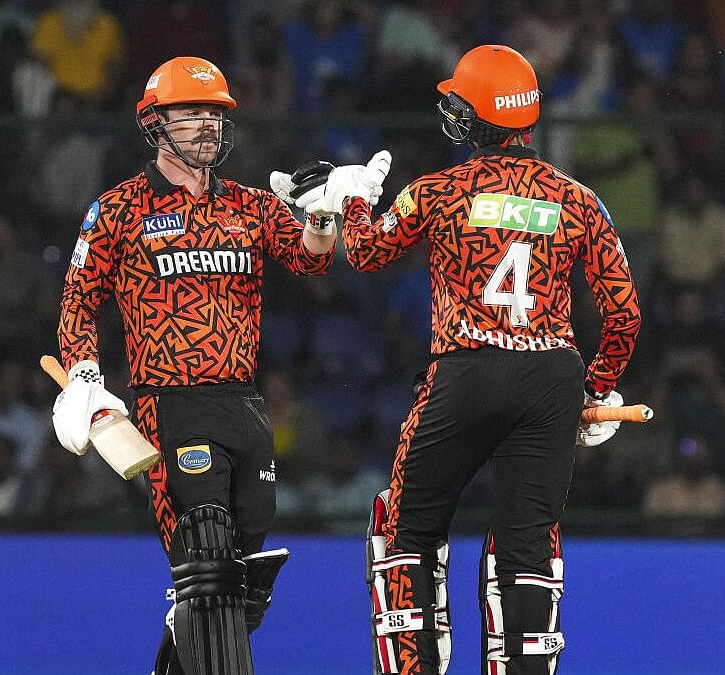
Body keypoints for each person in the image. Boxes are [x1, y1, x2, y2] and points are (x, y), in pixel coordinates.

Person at [282, 45, 641, 674]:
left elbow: (364, 254)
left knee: (403, 529)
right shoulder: (579, 200)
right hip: (552, 379)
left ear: (479, 118)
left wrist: (355, 197)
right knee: (529, 547)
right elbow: (625, 313)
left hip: (467, 371)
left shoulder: (441, 191)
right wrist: (601, 388)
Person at [49, 56, 383, 675]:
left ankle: (178, 648)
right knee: (207, 559)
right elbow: (78, 299)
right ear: (155, 123)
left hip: (243, 404)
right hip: (166, 403)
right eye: (191, 113)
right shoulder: (120, 208)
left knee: (238, 572)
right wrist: (86, 376)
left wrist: (326, 213)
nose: (206, 124)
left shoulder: (251, 204)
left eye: (214, 113)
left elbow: (311, 260)